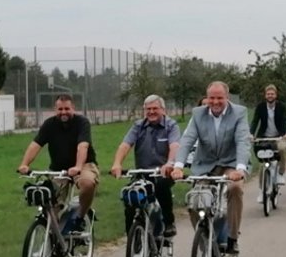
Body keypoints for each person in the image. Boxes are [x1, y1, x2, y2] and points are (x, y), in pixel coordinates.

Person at [170, 81, 250, 255]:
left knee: (235, 189)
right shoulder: (198, 114)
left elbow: (243, 141)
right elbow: (187, 140)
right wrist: (178, 166)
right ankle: (205, 240)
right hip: (205, 165)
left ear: (227, 98)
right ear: (207, 98)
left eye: (219, 98)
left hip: (231, 164)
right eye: (211, 98)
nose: (215, 102)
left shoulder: (239, 113)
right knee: (194, 200)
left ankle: (232, 237)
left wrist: (240, 169)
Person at [17, 94, 99, 232]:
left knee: (88, 183)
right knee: (49, 206)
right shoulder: (49, 124)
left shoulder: (82, 122)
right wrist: (24, 164)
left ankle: (80, 216)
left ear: (73, 108)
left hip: (83, 165)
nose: (63, 112)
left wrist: (78, 166)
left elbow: (83, 146)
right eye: (60, 109)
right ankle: (55, 241)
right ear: (55, 109)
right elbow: (35, 145)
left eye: (67, 108)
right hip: (58, 169)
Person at [111, 95, 180, 237]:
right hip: (142, 173)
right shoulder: (138, 126)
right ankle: (132, 236)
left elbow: (175, 146)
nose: (151, 112)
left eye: (155, 108)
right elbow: (125, 145)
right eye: (148, 109)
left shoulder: (171, 126)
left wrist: (169, 163)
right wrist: (117, 164)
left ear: (163, 110)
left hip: (163, 172)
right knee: (130, 196)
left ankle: (168, 222)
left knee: (161, 186)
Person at [249, 84, 286, 201]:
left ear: (276, 95)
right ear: (265, 95)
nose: (270, 96)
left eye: (272, 94)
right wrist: (251, 133)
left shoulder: (281, 106)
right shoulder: (260, 107)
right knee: (263, 165)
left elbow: (285, 120)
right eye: (268, 94)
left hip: (279, 136)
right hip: (264, 137)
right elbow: (255, 121)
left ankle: (281, 173)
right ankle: (261, 191)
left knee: (282, 148)